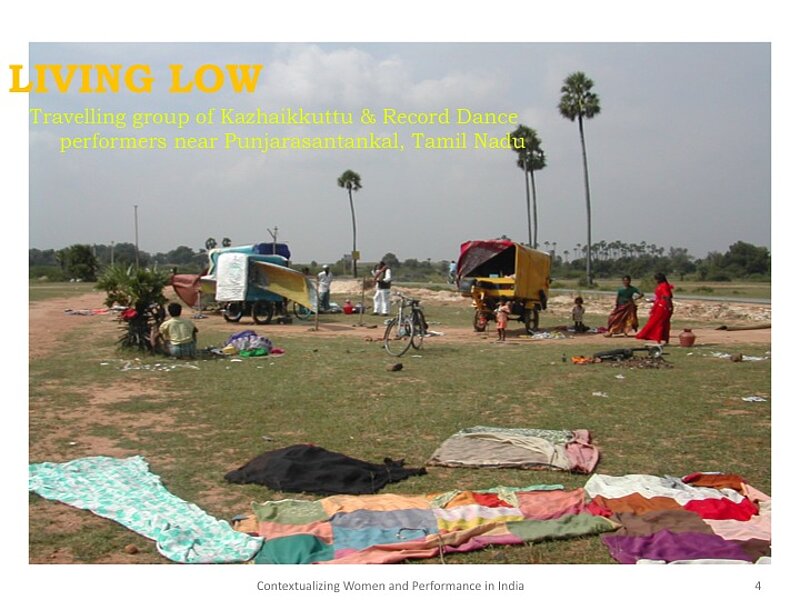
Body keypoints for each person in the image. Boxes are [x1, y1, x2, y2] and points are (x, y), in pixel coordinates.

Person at [636, 272, 674, 344]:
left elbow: (668, 296)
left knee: (659, 322)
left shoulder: (663, 286)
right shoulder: (662, 285)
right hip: (660, 305)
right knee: (661, 322)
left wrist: (668, 306)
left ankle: (658, 338)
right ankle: (663, 339)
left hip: (663, 306)